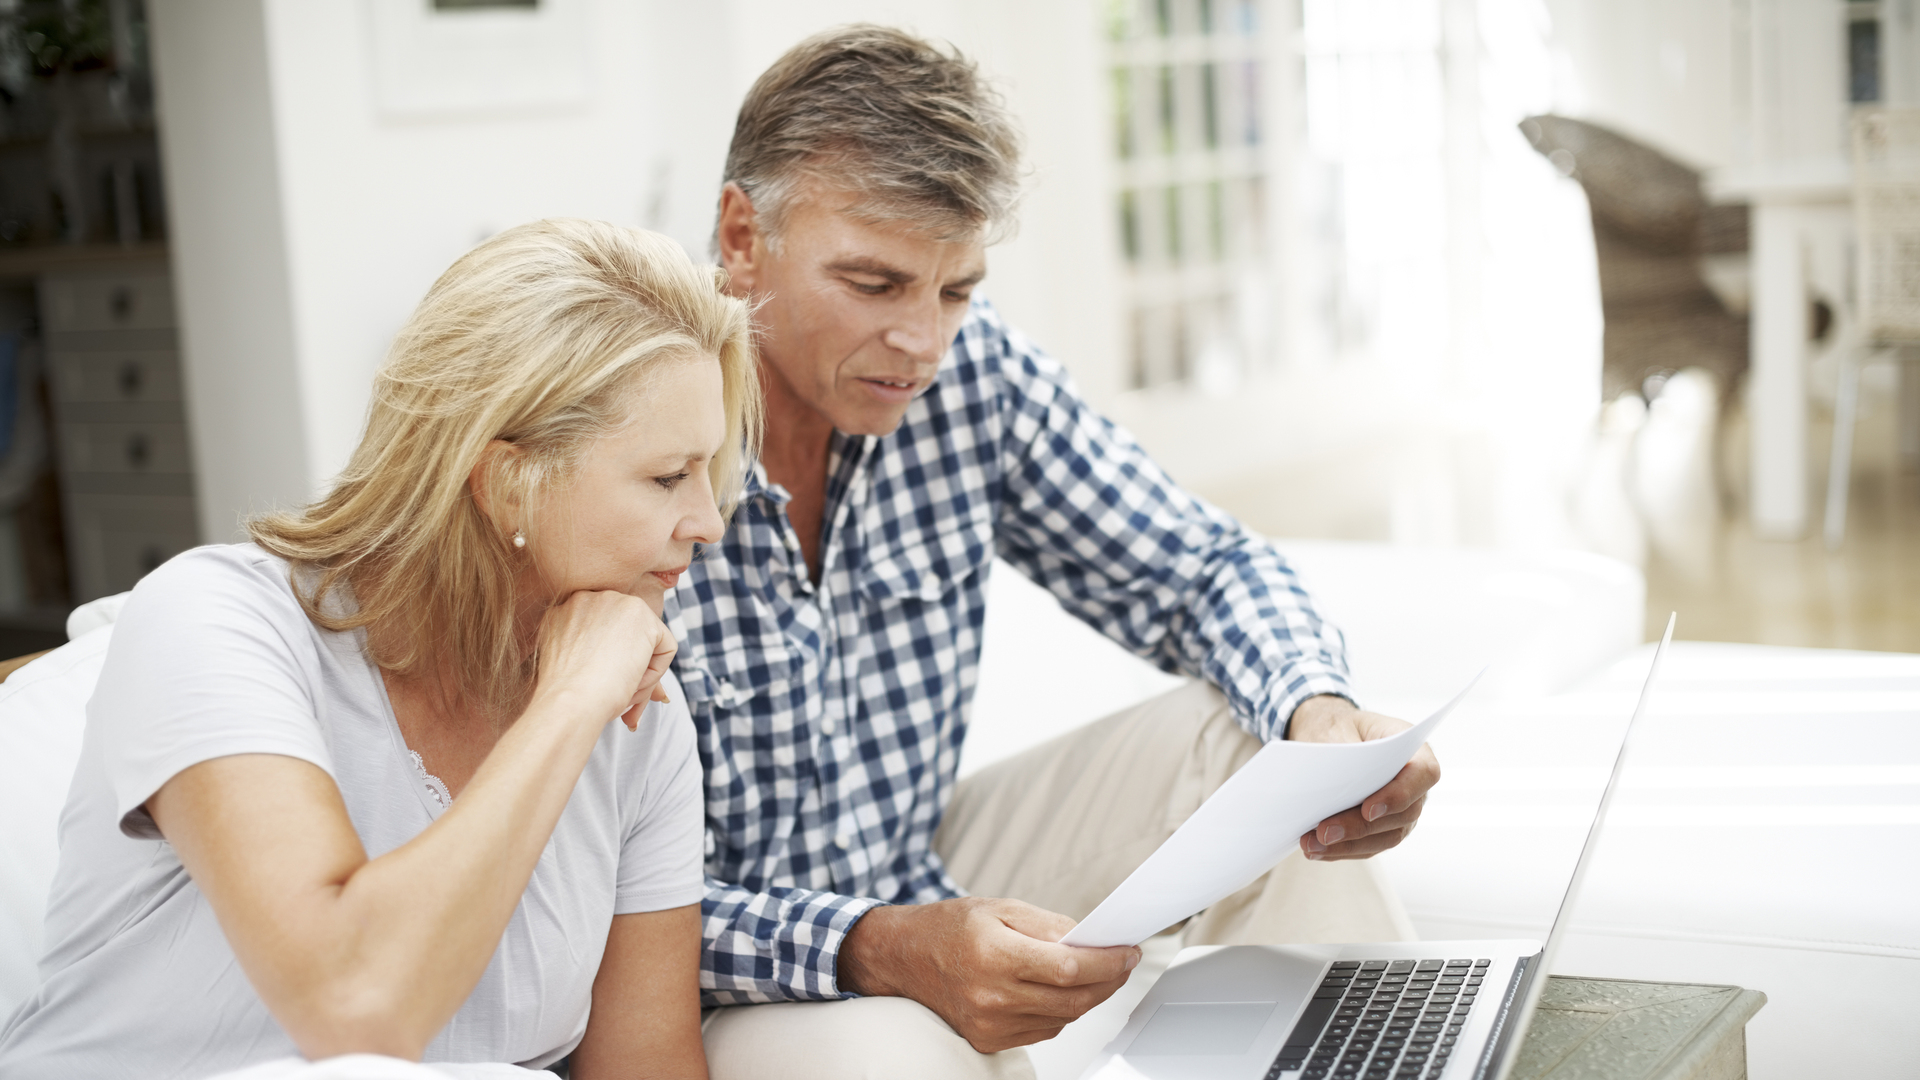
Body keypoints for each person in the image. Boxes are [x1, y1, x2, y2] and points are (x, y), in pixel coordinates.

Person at [673, 25, 1445, 1080]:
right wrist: (882, 948)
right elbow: (578, 905)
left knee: (1270, 752)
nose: (924, 343)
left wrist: (1323, 717)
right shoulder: (621, 433)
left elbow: (1202, 568)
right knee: (895, 1048)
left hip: (915, 866)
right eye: (874, 283)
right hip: (709, 974)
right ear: (741, 235)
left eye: (955, 291)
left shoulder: (966, 377)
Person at [0, 220, 761, 1080]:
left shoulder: (642, 720)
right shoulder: (213, 622)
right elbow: (355, 1009)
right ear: (507, 480)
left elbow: (645, 1069)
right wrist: (568, 704)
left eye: (709, 473)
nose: (709, 522)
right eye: (668, 477)